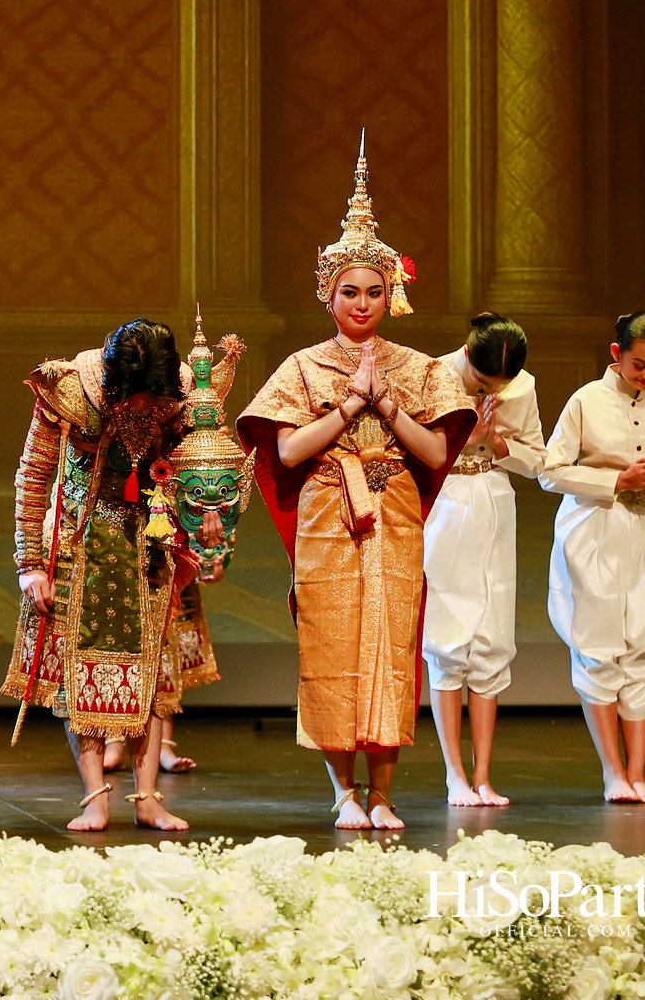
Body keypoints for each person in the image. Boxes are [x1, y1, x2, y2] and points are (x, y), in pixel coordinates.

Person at [238, 141, 473, 830]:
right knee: (332, 645)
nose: (363, 303)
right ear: (328, 294)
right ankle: (343, 791)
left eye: (374, 291)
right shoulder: (303, 366)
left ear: (390, 293)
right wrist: (348, 407)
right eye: (350, 291)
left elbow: (437, 452)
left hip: (394, 511)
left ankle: (384, 794)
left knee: (393, 646)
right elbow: (287, 449)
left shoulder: (419, 367)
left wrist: (388, 405)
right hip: (328, 511)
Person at [3, 318, 227, 833]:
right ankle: (95, 798)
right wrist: (30, 564)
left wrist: (208, 515)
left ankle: (147, 799)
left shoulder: (181, 398)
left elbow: (202, 469)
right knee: (78, 677)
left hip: (150, 544)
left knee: (151, 674)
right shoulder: (68, 391)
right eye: (135, 397)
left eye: (153, 398)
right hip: (77, 544)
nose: (144, 407)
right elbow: (33, 475)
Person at [540, 311, 645, 803]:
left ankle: (638, 773)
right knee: (598, 644)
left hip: (644, 528)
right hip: (593, 529)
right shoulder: (587, 400)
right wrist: (617, 479)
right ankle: (613, 773)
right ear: (617, 354)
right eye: (639, 365)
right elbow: (551, 470)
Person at [421, 313, 546, 807]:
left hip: (494, 500)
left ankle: (484, 776)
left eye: (502, 383)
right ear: (468, 354)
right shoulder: (431, 375)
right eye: (484, 379)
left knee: (492, 638)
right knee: (448, 638)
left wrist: (496, 443)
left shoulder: (523, 387)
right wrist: (463, 440)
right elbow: (410, 451)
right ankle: (454, 774)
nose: (493, 389)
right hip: (446, 504)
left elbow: (537, 461)